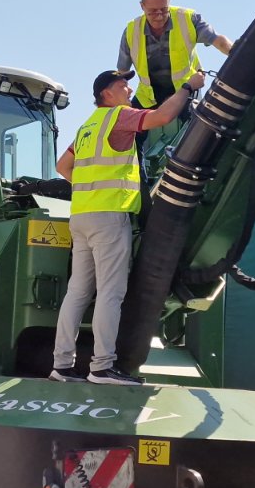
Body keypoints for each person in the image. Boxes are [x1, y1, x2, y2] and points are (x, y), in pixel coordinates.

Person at [50, 65, 205, 385]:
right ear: (107, 93)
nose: (128, 91)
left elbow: (63, 166)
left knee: (77, 292)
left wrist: (91, 186)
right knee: (110, 293)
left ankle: (61, 367)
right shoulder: (118, 116)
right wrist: (188, 88)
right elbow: (162, 117)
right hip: (109, 218)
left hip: (80, 217)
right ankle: (102, 367)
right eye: (123, 86)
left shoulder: (87, 127)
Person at [117, 0, 233, 108]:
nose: (159, 16)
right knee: (128, 123)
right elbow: (123, 72)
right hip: (148, 97)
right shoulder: (131, 31)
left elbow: (219, 41)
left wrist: (238, 54)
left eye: (163, 9)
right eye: (153, 12)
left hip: (186, 90)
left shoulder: (188, 19)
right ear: (142, 6)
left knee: (197, 124)